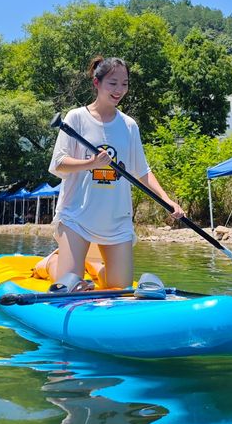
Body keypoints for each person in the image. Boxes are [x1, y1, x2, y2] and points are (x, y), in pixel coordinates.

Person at [41, 55, 184, 289]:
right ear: (97, 83)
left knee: (120, 287)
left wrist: (168, 201)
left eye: (124, 84)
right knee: (70, 285)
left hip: (116, 220)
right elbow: (58, 164)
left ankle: (94, 268)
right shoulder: (76, 118)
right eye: (113, 83)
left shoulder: (129, 125)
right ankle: (51, 262)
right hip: (77, 215)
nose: (119, 90)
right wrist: (91, 164)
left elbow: (142, 171)